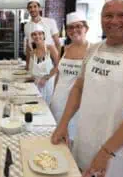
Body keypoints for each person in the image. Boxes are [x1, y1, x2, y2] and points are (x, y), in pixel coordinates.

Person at [51, 0, 123, 177]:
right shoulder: (94, 49)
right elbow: (79, 88)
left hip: (119, 149)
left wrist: (106, 152)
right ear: (101, 18)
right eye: (108, 15)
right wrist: (63, 123)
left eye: (122, 15)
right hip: (86, 137)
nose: (114, 21)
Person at [50, 11, 90, 145]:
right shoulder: (64, 49)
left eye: (78, 26)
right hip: (58, 100)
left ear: (86, 28)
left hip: (77, 105)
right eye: (70, 27)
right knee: (57, 139)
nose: (74, 30)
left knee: (73, 140)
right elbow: (59, 75)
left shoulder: (93, 51)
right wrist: (52, 97)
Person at [24, 0, 60, 70]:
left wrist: (56, 61)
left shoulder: (50, 22)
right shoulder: (26, 26)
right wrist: (27, 64)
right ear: (28, 9)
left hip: (49, 59)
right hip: (34, 59)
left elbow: (57, 43)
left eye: (35, 6)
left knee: (47, 79)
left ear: (39, 8)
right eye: (30, 7)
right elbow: (28, 46)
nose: (32, 9)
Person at [29, 23, 59, 105]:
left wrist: (45, 78)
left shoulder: (50, 48)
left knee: (47, 107)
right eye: (34, 34)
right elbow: (33, 71)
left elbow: (58, 66)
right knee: (36, 106)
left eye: (40, 34)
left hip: (48, 83)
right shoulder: (32, 53)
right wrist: (30, 79)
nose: (37, 36)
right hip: (36, 84)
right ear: (32, 37)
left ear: (44, 35)